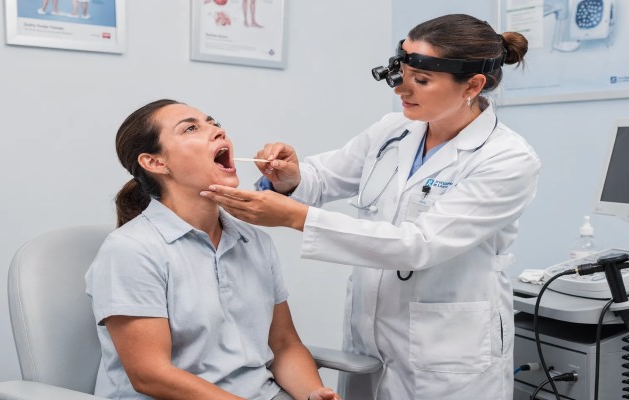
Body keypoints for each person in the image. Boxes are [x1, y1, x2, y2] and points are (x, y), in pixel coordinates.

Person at [201, 14, 540, 400]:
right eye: (402, 75)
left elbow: (420, 244)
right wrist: (290, 177)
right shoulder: (393, 131)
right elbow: (323, 178)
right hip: (371, 341)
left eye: (421, 81)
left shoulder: (507, 159)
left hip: (449, 357)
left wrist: (297, 218)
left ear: (473, 85)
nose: (402, 90)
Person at [85, 99, 340, 400]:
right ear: (155, 163)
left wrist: (315, 394)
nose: (218, 131)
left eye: (214, 123)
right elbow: (150, 375)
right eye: (191, 128)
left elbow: (284, 346)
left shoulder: (254, 241)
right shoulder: (130, 250)